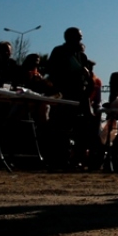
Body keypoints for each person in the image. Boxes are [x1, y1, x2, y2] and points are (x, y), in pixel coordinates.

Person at [45, 27, 96, 169]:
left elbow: (88, 78)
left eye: (80, 37)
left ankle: (77, 158)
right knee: (61, 128)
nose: (80, 40)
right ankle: (59, 159)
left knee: (82, 129)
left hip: (80, 95)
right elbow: (51, 71)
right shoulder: (59, 51)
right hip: (64, 94)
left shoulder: (82, 55)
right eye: (77, 37)